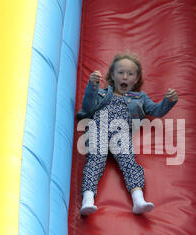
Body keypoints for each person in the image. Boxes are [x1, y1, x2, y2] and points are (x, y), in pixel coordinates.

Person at [76, 53, 178, 215]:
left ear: (136, 79)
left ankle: (138, 199)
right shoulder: (102, 93)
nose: (125, 77)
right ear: (112, 75)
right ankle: (88, 199)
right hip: (99, 127)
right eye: (120, 72)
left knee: (129, 162)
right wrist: (93, 86)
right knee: (95, 160)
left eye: (130, 74)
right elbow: (88, 106)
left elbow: (157, 111)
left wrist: (168, 101)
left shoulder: (140, 98)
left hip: (121, 132)